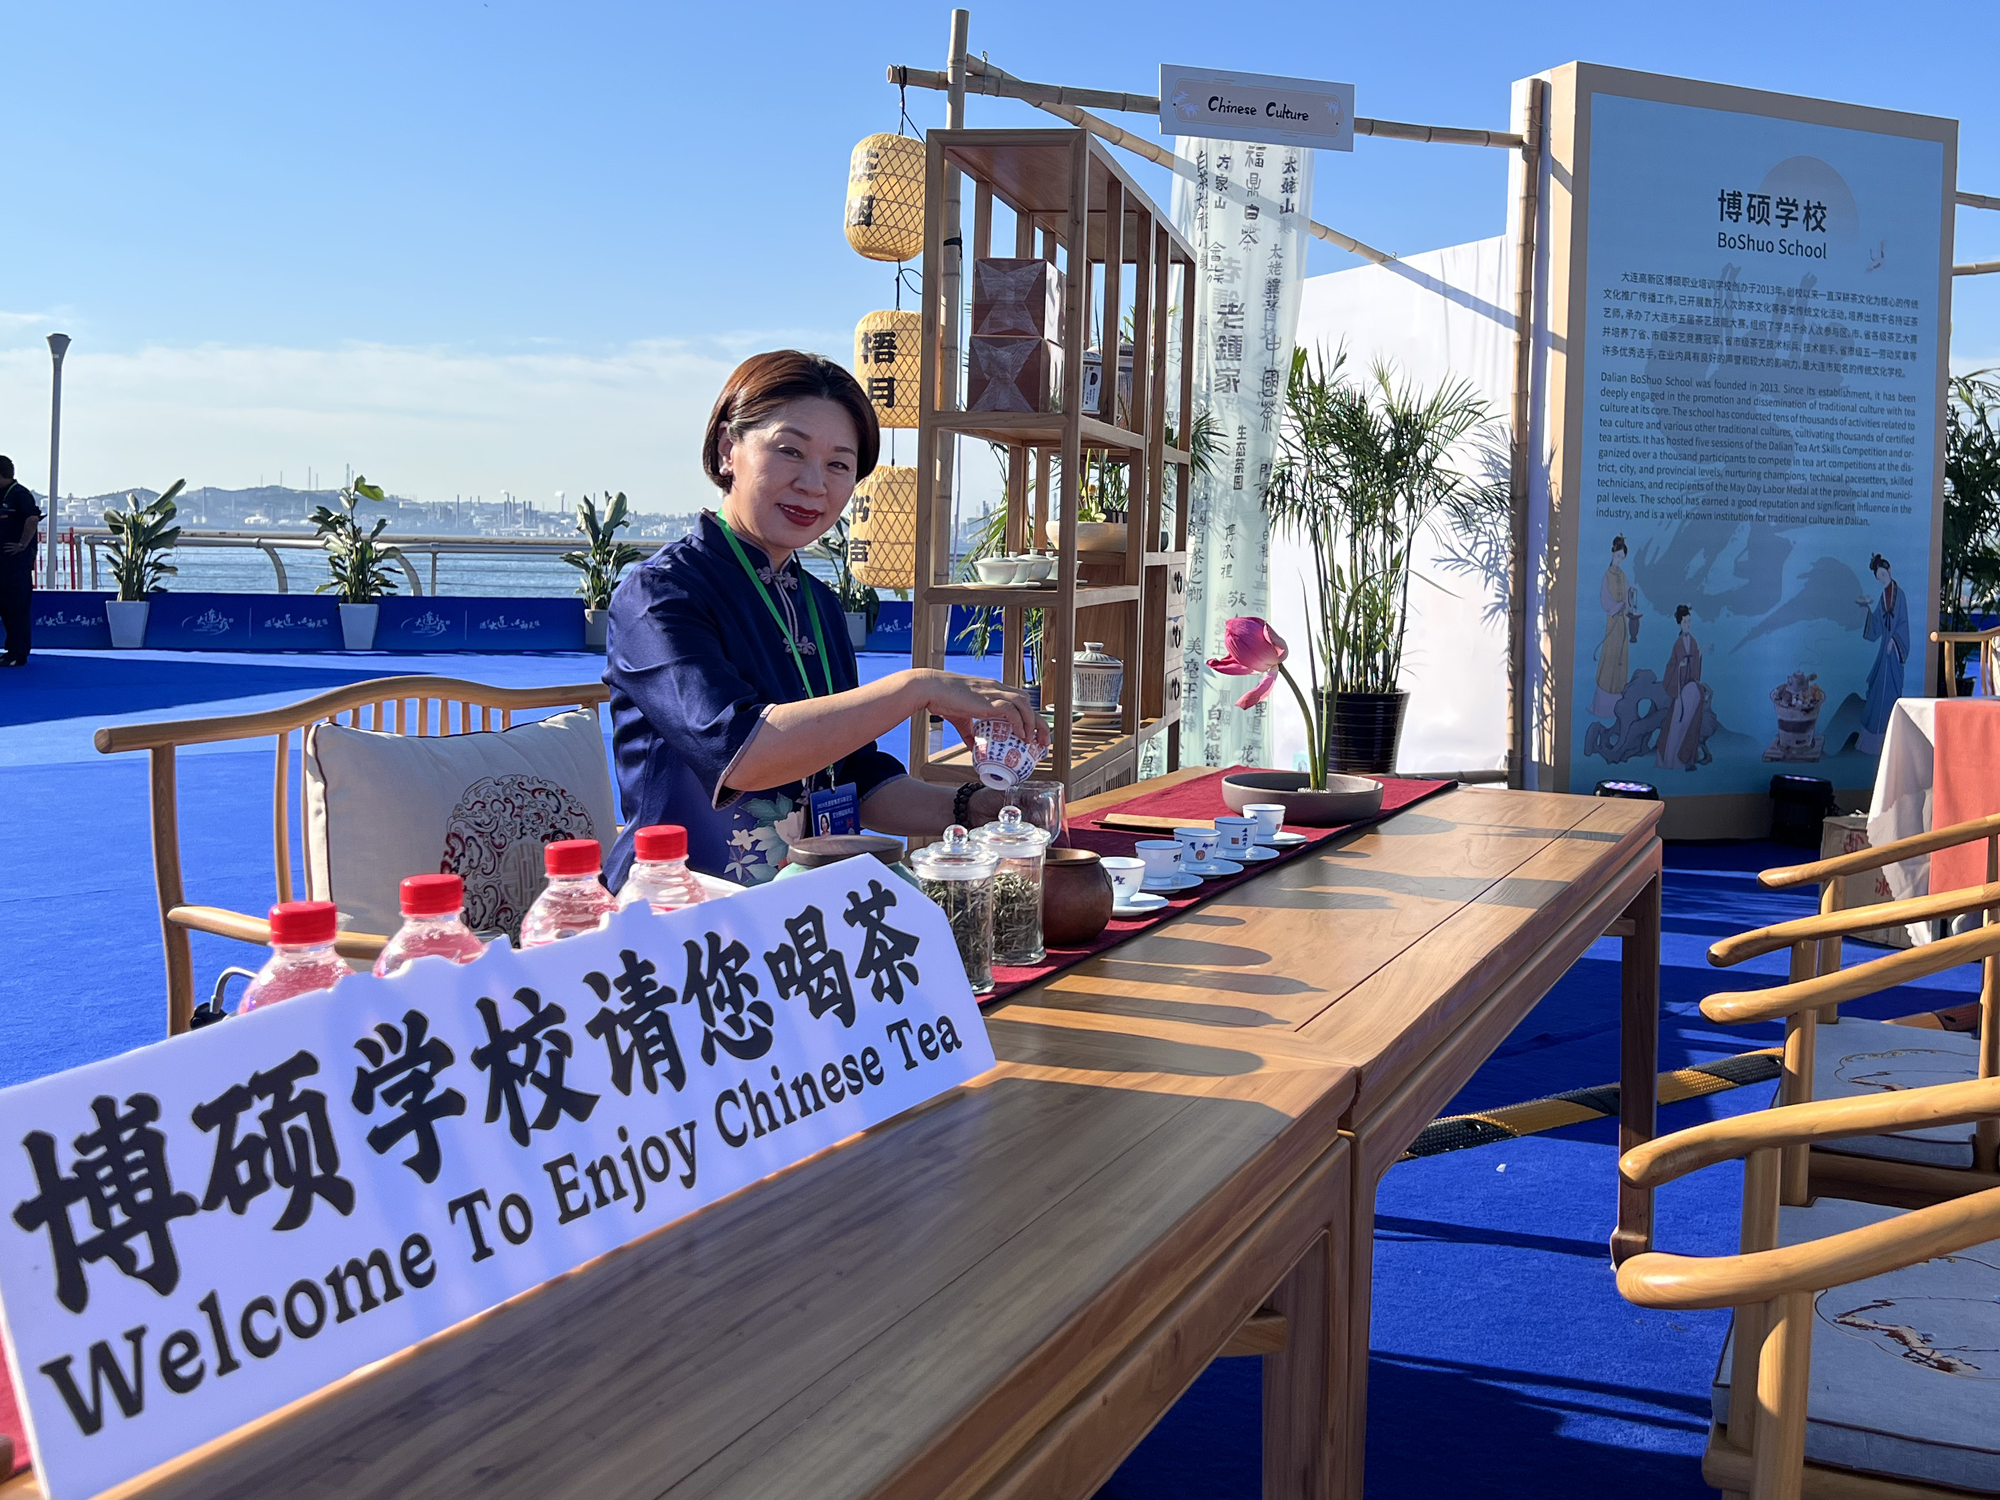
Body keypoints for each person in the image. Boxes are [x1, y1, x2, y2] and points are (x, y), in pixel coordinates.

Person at [602, 350, 1048, 888]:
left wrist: (973, 807)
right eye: (789, 451)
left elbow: (853, 778)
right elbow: (741, 754)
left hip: (803, 909)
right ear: (727, 450)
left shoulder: (818, 604)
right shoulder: (660, 594)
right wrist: (917, 688)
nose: (814, 484)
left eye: (839, 464)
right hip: (683, 909)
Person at [1856, 552, 1908, 756]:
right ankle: (1872, 741)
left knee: (1891, 691)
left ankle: (1891, 741)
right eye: (1879, 578)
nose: (1882, 580)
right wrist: (1866, 610)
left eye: (1883, 576)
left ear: (1889, 571)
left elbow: (1903, 623)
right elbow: (1877, 623)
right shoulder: (1883, 596)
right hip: (1884, 650)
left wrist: (1894, 641)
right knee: (1877, 689)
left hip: (1894, 652)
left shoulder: (1899, 595)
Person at [0, 457, 42, 668]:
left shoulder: (19, 494)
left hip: (15, 563)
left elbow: (32, 519)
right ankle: (10, 651)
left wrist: (22, 544)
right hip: (1, 562)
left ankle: (18, 653)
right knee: (5, 607)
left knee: (16, 607)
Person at [1656, 604, 1704, 771]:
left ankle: (1686, 758)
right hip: (1680, 691)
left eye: (1689, 622)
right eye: (1685, 622)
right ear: (1679, 623)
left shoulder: (1693, 641)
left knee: (1689, 724)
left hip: (1691, 688)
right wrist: (1680, 666)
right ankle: (1670, 760)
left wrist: (1699, 655)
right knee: (1676, 725)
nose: (1688, 625)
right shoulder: (1678, 644)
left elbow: (1695, 665)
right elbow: (1671, 666)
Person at [1591, 535, 1631, 718]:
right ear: (1613, 553)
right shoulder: (1606, 576)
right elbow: (1605, 600)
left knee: (1621, 659)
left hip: (1622, 623)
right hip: (1613, 622)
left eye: (1622, 558)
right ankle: (1603, 706)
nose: (1619, 561)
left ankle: (1618, 707)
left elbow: (1628, 596)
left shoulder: (1623, 576)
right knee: (1609, 658)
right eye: (1618, 556)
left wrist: (1629, 603)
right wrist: (1618, 606)